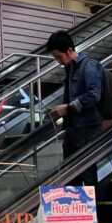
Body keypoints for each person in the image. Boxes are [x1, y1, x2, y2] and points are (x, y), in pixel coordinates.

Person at [46, 30, 103, 184]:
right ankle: (75, 208)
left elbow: (93, 95)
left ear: (70, 50)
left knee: (88, 178)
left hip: (88, 130)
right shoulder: (70, 70)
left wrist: (68, 108)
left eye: (59, 57)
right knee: (70, 177)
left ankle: (94, 209)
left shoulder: (89, 66)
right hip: (73, 130)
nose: (58, 61)